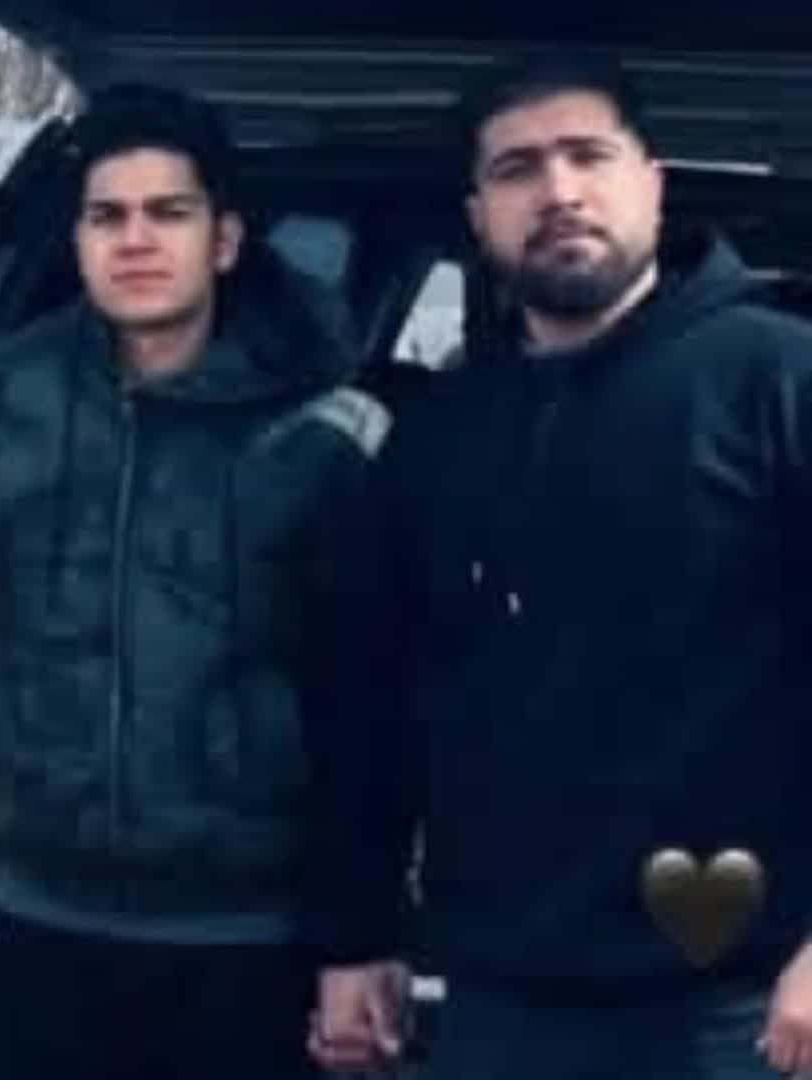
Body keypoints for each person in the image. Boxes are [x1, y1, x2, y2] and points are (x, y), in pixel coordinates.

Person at [0, 81, 388, 1080]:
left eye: (167, 213)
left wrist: (356, 937)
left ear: (223, 240)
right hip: (41, 918)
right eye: (107, 216)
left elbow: (364, 706)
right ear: (77, 239)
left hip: (250, 939)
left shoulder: (320, 428)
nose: (135, 240)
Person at [309, 53, 812, 1080]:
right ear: (478, 214)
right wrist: (356, 936)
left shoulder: (779, 383)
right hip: (498, 1002)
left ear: (652, 183)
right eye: (517, 169)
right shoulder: (438, 437)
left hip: (743, 1008)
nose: (558, 191)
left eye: (588, 156)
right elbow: (371, 709)